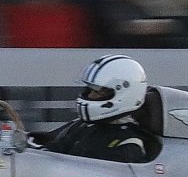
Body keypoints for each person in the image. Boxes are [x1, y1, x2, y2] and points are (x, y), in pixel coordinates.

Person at [26, 55, 159, 163]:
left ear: (123, 94)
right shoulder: (83, 126)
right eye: (90, 90)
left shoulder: (129, 143)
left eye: (98, 92)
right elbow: (52, 151)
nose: (90, 96)